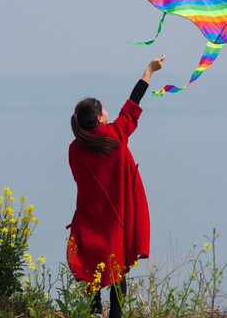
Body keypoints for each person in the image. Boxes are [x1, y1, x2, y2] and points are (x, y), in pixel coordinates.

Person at [66, 55, 165, 317]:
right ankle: (116, 315)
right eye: (104, 111)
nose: (108, 113)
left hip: (89, 216)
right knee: (117, 267)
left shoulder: (74, 149)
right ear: (99, 119)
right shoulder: (115, 135)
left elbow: (80, 179)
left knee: (91, 266)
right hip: (115, 219)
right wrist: (149, 71)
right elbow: (133, 104)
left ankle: (94, 311)